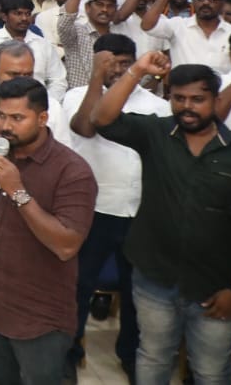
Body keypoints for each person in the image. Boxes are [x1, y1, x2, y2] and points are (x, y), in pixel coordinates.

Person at [87, 52, 231, 384]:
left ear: (216, 100)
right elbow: (101, 118)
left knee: (212, 371)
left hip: (216, 287)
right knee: (153, 358)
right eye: (178, 98)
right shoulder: (156, 133)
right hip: (154, 280)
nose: (187, 107)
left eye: (197, 99)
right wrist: (137, 70)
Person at [0, 77, 97, 385]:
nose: (6, 126)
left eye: (17, 118)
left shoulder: (73, 171)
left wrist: (17, 191)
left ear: (42, 118)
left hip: (39, 314)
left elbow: (66, 245)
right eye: (2, 115)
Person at [61, 34, 165, 379]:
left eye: (124, 63)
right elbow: (85, 127)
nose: (117, 69)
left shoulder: (156, 105)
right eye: (109, 62)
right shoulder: (76, 96)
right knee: (78, 287)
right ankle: (68, 352)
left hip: (138, 211)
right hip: (91, 210)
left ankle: (130, 354)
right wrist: (96, 77)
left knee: (136, 292)